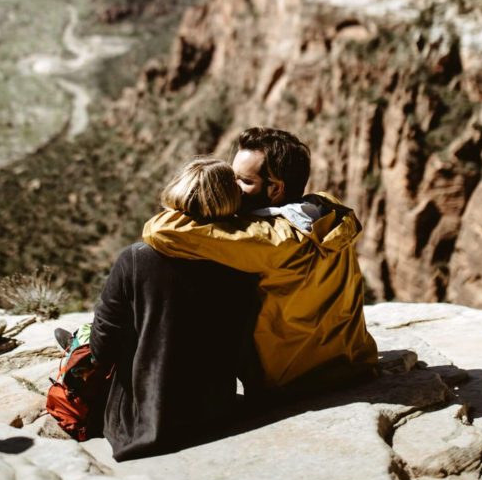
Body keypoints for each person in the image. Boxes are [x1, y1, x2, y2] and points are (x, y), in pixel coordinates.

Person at [143, 126, 378, 397]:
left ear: (275, 189)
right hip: (351, 363)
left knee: (150, 261)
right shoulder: (326, 207)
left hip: (289, 380)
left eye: (243, 181)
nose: (233, 187)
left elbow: (159, 230)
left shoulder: (269, 239)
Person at [89, 156, 256, 461]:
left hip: (144, 420)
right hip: (214, 411)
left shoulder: (137, 258)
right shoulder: (244, 262)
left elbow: (102, 346)